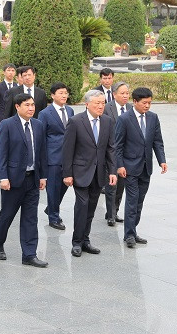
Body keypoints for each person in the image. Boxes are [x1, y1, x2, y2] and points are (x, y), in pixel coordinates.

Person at [0, 93, 48, 267]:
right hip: (13, 179)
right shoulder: (7, 125)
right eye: (27, 105)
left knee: (31, 218)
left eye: (32, 105)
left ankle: (29, 254)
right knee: (7, 215)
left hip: (32, 179)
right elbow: (1, 154)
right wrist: (3, 177)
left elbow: (42, 153)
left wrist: (43, 175)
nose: (31, 108)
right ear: (17, 107)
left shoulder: (38, 125)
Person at [62, 89, 116, 257]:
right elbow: (67, 150)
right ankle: (76, 242)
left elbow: (110, 148)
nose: (101, 106)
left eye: (103, 103)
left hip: (99, 172)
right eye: (97, 103)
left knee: (91, 208)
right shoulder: (76, 121)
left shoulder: (107, 121)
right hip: (80, 172)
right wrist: (67, 174)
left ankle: (85, 240)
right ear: (87, 104)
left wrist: (112, 171)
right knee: (82, 206)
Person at [114, 87, 167, 248]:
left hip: (146, 167)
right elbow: (117, 145)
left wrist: (161, 160)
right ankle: (129, 235)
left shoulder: (153, 118)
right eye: (144, 103)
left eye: (150, 103)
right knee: (131, 200)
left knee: (139, 201)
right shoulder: (124, 119)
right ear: (135, 101)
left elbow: (157, 141)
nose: (147, 106)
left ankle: (133, 230)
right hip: (129, 168)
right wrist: (120, 165)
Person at [38, 82, 74, 230]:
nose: (64, 95)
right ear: (53, 95)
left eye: (65, 93)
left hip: (69, 156)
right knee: (53, 188)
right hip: (52, 157)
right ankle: (54, 217)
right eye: (60, 93)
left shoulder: (70, 111)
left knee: (64, 186)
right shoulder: (45, 113)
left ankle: (51, 208)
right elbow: (41, 136)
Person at [102, 81, 132, 226]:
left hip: (126, 152)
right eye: (122, 93)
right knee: (111, 184)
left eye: (127, 93)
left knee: (121, 185)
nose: (125, 96)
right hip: (111, 151)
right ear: (114, 95)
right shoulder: (107, 108)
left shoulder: (131, 108)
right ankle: (110, 214)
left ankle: (115, 210)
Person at [0, 63, 17, 130]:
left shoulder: (17, 86)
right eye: (8, 70)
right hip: (1, 119)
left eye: (13, 70)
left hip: (15, 119)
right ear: (4, 72)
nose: (11, 72)